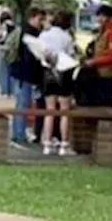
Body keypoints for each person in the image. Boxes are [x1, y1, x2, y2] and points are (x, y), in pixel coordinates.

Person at [37, 10, 77, 155]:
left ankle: (47, 144)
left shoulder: (44, 35)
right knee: (64, 111)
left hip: (48, 73)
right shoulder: (66, 37)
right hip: (63, 72)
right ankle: (64, 145)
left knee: (50, 110)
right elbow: (71, 54)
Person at [10, 6, 47, 145]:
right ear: (32, 17)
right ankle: (19, 135)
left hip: (20, 73)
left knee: (22, 103)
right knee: (23, 104)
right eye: (39, 19)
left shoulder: (24, 31)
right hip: (24, 74)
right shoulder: (29, 34)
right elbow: (29, 58)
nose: (41, 22)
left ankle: (18, 133)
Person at [75, 3, 112, 108]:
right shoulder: (104, 29)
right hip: (98, 70)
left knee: (104, 102)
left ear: (110, 17)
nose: (99, 19)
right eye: (99, 16)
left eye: (102, 16)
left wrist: (93, 61)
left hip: (106, 72)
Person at [0, 12, 15, 97]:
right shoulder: (14, 26)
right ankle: (11, 91)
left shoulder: (4, 26)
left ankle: (4, 91)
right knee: (10, 72)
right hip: (11, 51)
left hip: (3, 50)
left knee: (2, 72)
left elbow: (0, 37)